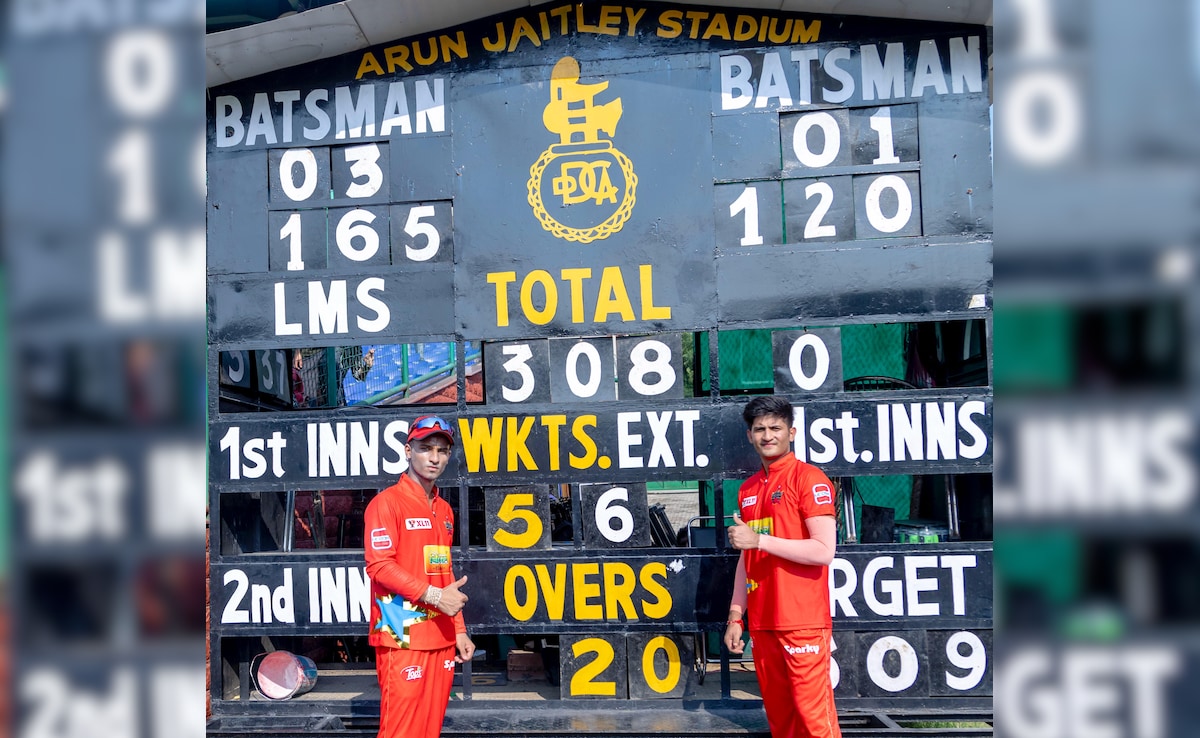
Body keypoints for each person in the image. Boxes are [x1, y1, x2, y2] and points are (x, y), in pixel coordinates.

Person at [724, 396, 841, 738]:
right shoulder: (748, 489)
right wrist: (736, 616)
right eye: (759, 429)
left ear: (791, 432)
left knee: (814, 722)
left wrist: (758, 540)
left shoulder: (810, 479)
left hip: (802, 622)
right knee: (781, 721)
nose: (767, 435)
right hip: (763, 624)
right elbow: (747, 558)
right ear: (750, 435)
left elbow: (824, 550)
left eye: (775, 428)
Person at [364, 415, 475, 738]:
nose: (434, 458)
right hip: (401, 637)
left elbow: (443, 570)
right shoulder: (386, 504)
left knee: (429, 731)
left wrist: (459, 630)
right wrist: (435, 596)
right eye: (426, 448)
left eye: (442, 450)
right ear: (408, 450)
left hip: (441, 636)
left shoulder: (444, 510)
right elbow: (379, 567)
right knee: (401, 732)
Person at [293, 345, 375, 407]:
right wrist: (297, 350)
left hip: (335, 397)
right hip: (309, 378)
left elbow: (358, 375)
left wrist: (367, 366)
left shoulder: (352, 343)